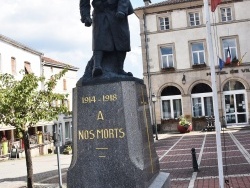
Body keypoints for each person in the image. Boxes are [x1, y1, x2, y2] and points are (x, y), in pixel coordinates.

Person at [80, 0, 133, 77]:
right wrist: (86, 17)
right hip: (100, 12)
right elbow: (84, 2)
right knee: (99, 38)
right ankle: (97, 66)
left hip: (117, 11)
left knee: (122, 40)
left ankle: (120, 69)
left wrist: (122, 10)